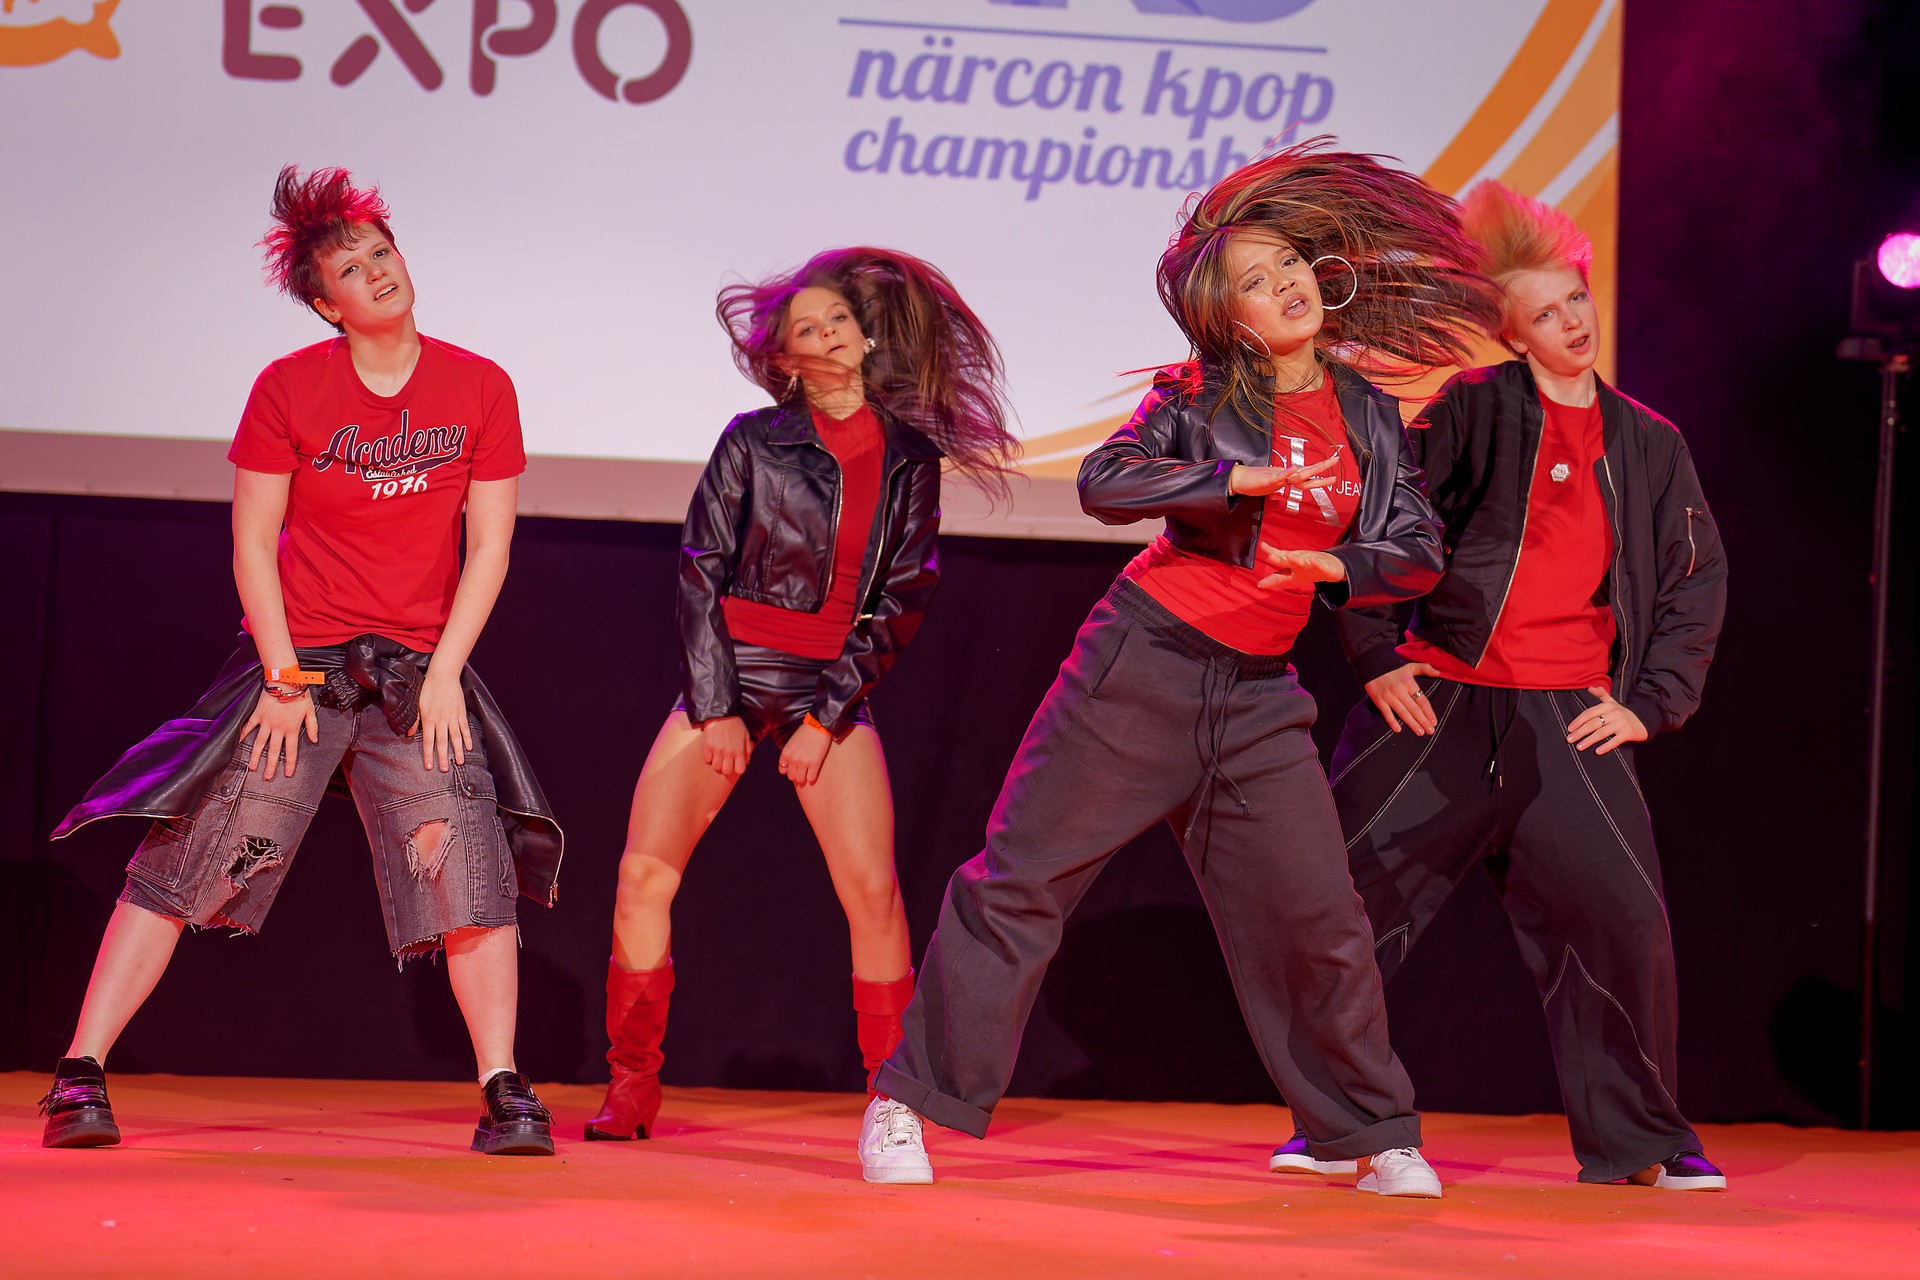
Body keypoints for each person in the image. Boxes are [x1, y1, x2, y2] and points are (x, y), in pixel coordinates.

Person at [857, 142, 1503, 1197]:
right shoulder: (1198, 393)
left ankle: (1368, 1129)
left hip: (1260, 698)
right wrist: (1229, 480)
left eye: (1289, 263)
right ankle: (909, 1101)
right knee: (1021, 884)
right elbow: (1106, 482)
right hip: (1142, 666)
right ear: (1227, 317)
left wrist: (1342, 566)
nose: (1285, 283)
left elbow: (1417, 547)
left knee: (1318, 920)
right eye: (1255, 279)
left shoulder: (1368, 412)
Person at [38, 166, 563, 1157]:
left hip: (417, 675)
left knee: (468, 864)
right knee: (191, 857)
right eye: (352, 270)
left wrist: (447, 672)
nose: (379, 273)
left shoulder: (480, 384)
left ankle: (504, 1086)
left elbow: (490, 546)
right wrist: (282, 676)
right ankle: (80, 1071)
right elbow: (252, 542)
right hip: (301, 668)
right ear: (327, 304)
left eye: (383, 253)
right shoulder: (289, 387)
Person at [1266, 180, 1728, 1191]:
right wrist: (1376, 653)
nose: (1572, 324)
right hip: (1442, 699)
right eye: (1545, 314)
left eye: (1576, 301)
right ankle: (1336, 1121)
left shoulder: (1650, 443)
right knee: (1349, 908)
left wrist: (1651, 704)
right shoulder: (1472, 409)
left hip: (1571, 716)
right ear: (1511, 334)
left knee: (1623, 921)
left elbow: (1696, 580)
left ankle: (1642, 1141)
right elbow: (1386, 522)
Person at [586, 247, 1019, 1142]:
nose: (823, 336)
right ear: (783, 357)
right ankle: (632, 1083)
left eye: (837, 321)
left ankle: (891, 1100)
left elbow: (903, 596)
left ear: (865, 338)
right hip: (731, 671)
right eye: (804, 329)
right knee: (642, 872)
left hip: (830, 686)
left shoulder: (909, 458)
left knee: (873, 893)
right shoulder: (752, 439)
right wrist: (716, 706)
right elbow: (700, 569)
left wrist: (827, 716)